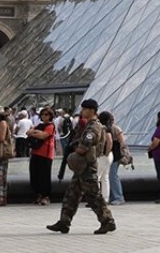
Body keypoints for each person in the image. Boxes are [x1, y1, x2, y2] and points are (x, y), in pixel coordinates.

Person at [47, 99, 116, 234]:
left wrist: (73, 155)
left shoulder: (93, 127)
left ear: (91, 110)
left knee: (94, 196)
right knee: (72, 195)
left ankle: (108, 221)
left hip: (87, 167)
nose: (82, 111)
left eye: (84, 109)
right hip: (83, 168)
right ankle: (64, 222)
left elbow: (84, 147)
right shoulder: (92, 125)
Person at [27, 107, 55, 205]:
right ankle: (38, 195)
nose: (44, 116)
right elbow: (28, 132)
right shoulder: (39, 125)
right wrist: (37, 132)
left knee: (45, 176)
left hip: (46, 154)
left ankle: (46, 196)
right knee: (35, 175)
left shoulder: (51, 126)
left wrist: (34, 132)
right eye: (42, 114)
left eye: (46, 114)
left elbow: (43, 136)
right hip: (35, 152)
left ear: (50, 116)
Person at [106, 112, 127, 205]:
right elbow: (122, 142)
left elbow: (122, 142)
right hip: (115, 154)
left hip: (114, 155)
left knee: (112, 176)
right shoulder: (114, 128)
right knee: (110, 176)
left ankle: (118, 196)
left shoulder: (114, 129)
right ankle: (114, 196)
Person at [96, 111, 114, 203]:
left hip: (103, 155)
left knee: (97, 177)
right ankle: (105, 198)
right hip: (109, 155)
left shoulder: (104, 129)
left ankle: (97, 199)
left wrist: (105, 154)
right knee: (105, 177)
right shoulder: (109, 128)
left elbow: (109, 141)